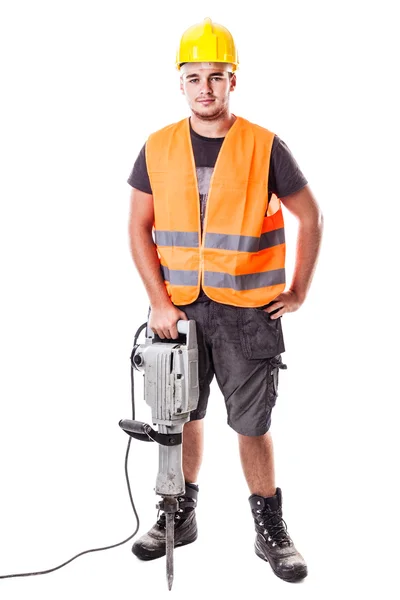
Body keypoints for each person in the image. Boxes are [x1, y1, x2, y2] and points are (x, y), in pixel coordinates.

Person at [127, 17, 323, 583]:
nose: (205, 88)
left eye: (217, 77)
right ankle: (178, 514)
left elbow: (310, 216)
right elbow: (138, 228)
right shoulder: (157, 147)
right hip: (180, 309)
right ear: (180, 83)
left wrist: (299, 290)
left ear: (233, 81)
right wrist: (159, 302)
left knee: (251, 423)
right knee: (180, 414)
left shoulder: (265, 146)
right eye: (195, 78)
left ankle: (269, 527)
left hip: (248, 313)